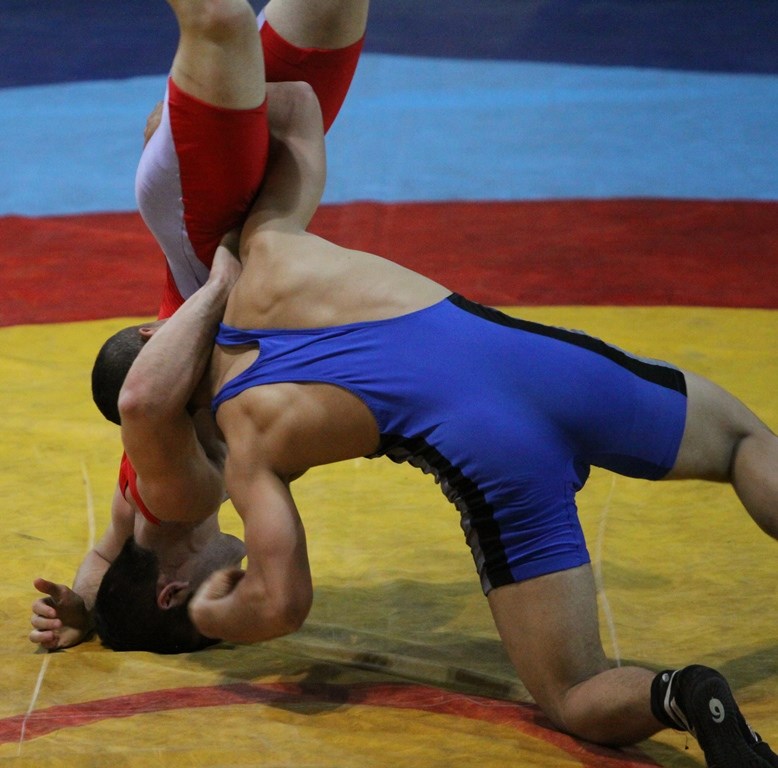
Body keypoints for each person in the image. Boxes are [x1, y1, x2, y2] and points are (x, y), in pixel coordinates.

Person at [124, 70, 778, 763]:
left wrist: (213, 612)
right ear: (155, 330)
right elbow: (298, 106)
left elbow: (283, 603)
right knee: (742, 442)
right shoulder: (265, 246)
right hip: (547, 366)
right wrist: (180, 125)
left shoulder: (248, 437)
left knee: (574, 691)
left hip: (495, 456)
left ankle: (682, 694)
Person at [29, 0, 369, 653]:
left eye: (221, 600)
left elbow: (141, 401)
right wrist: (90, 612)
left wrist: (219, 285)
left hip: (207, 217)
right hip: (207, 206)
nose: (241, 586)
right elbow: (105, 563)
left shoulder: (183, 495)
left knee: (217, 19)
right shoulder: (138, 516)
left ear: (174, 589)